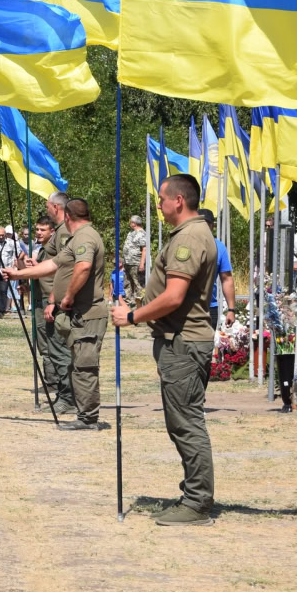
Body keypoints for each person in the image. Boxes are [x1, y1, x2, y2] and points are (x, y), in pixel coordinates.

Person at [111, 174, 218, 527]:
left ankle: (197, 502)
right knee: (181, 422)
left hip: (184, 343)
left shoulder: (189, 237)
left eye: (161, 199)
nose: (158, 205)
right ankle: (193, 494)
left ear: (178, 201)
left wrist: (131, 316)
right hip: (181, 341)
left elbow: (173, 297)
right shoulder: (189, 234)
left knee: (186, 423)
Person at [4, 193, 76, 418]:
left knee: (58, 349)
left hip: (53, 301)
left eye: (42, 229)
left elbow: (63, 270)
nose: (38, 233)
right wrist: (26, 276)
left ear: (56, 207)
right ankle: (60, 392)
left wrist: (53, 300)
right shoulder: (48, 245)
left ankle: (67, 395)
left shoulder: (65, 234)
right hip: (42, 299)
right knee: (48, 348)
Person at [52, 198, 109, 430]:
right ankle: (84, 413)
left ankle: (88, 418)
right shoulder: (78, 237)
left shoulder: (85, 237)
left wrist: (68, 296)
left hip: (88, 313)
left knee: (85, 366)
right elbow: (54, 264)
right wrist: (19, 274)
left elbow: (83, 267)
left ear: (67, 217)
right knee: (79, 365)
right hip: (79, 315)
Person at [199, 210, 237, 331]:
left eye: (207, 223)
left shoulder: (219, 248)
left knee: (206, 348)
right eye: (200, 223)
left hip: (209, 308)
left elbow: (226, 279)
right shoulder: (184, 243)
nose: (203, 227)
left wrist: (231, 310)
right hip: (185, 308)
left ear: (212, 226)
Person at [123, 215, 149, 299]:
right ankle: (127, 303)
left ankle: (140, 305)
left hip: (136, 263)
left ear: (134, 223)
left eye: (131, 222)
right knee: (127, 284)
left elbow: (144, 249)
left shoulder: (142, 233)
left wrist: (142, 264)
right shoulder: (131, 233)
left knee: (138, 285)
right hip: (128, 262)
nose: (130, 224)